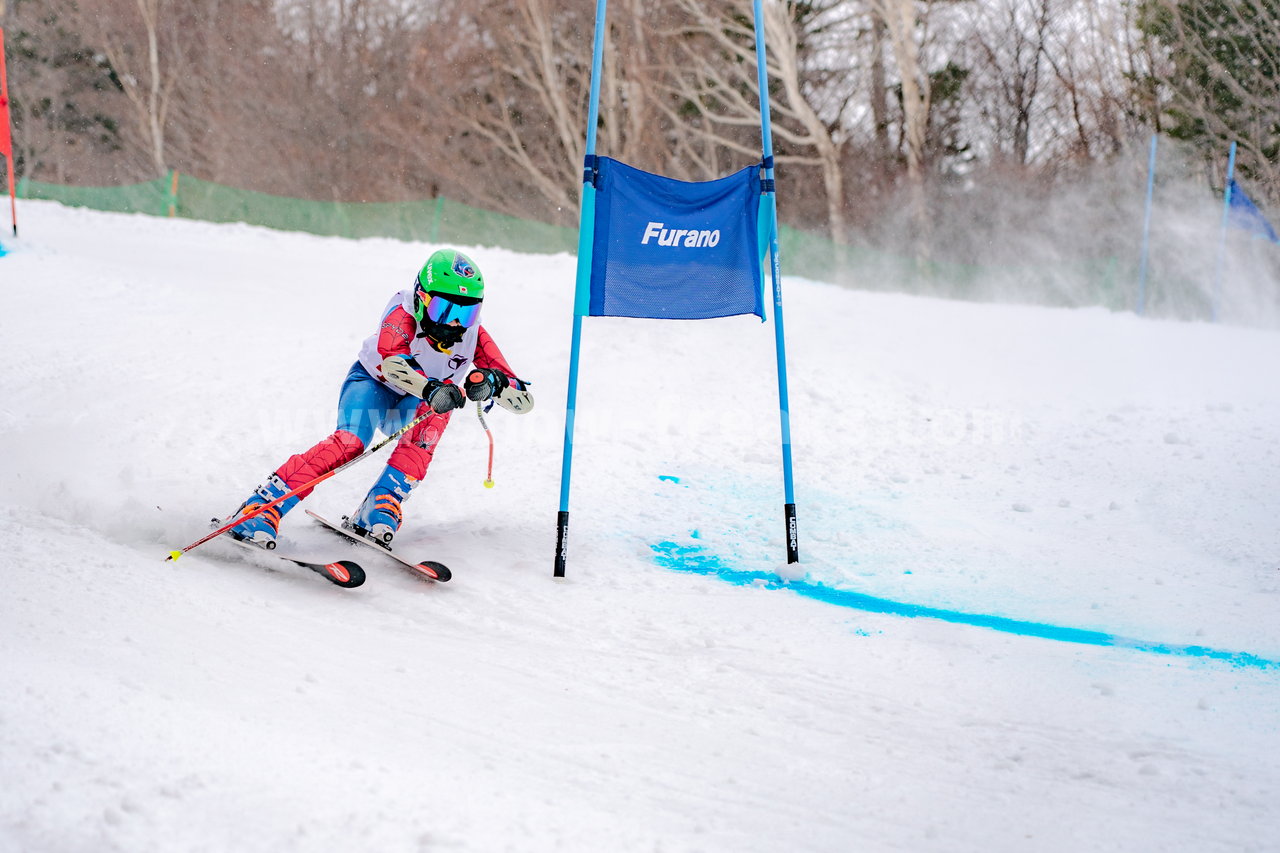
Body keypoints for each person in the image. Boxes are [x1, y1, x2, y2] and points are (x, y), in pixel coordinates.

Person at [228, 248, 533, 548]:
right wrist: (432, 389)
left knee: (429, 428)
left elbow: (523, 401)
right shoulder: (403, 311)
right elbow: (393, 364)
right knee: (350, 443)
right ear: (421, 297)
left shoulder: (472, 334)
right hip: (373, 385)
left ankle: (381, 503)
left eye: (466, 312)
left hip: (418, 405)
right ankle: (263, 505)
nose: (455, 323)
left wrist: (496, 383)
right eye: (445, 310)